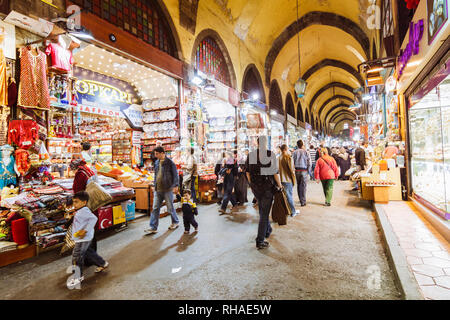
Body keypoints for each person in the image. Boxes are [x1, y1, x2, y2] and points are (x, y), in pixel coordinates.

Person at [246, 136, 283, 250]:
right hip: (267, 187)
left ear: (257, 143)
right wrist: (280, 185)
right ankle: (260, 240)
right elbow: (275, 173)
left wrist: (251, 184)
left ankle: (267, 230)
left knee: (263, 209)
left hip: (256, 188)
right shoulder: (269, 154)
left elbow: (247, 172)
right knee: (264, 214)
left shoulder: (252, 155)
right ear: (265, 143)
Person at [68, 191, 109, 287]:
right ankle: (102, 263)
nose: (74, 204)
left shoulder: (84, 211)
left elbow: (94, 219)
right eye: (73, 202)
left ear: (84, 202)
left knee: (77, 256)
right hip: (81, 238)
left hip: (84, 238)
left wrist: (85, 230)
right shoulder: (80, 211)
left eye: (76, 202)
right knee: (87, 252)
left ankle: (78, 276)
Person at [144, 147, 180, 234]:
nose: (155, 156)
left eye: (156, 154)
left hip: (167, 189)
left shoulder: (170, 163)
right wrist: (154, 184)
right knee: (155, 208)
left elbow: (175, 175)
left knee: (170, 207)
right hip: (158, 189)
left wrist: (175, 185)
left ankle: (175, 222)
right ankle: (153, 227)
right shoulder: (156, 162)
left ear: (162, 153)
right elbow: (156, 175)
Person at [278, 144, 298, 217]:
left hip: (280, 180)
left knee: (285, 196)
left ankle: (287, 210)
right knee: (289, 196)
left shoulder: (278, 158)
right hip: (288, 180)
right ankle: (293, 211)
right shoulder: (288, 158)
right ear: (286, 149)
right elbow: (292, 170)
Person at [292, 140, 310, 207]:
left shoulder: (294, 152)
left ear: (297, 145)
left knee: (299, 185)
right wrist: (308, 170)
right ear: (302, 145)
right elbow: (309, 162)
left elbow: (292, 161)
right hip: (304, 170)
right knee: (303, 186)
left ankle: (300, 199)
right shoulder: (306, 152)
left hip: (297, 170)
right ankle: (303, 201)